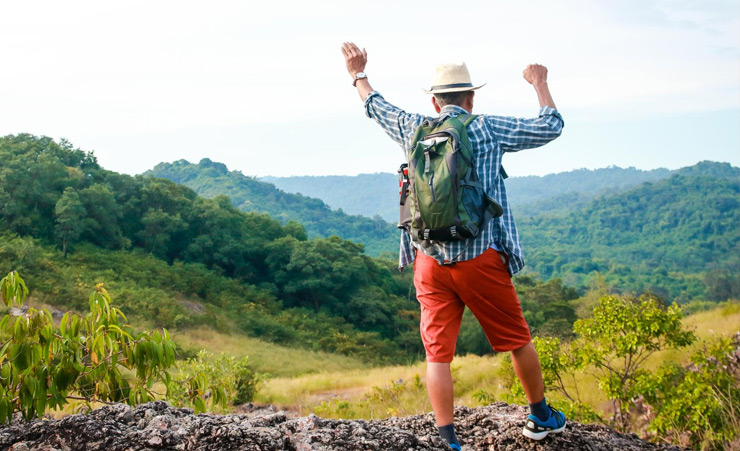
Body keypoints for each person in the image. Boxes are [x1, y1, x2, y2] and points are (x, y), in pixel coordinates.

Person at [340, 42, 567, 449]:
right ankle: (541, 416)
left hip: (427, 259)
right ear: (471, 97)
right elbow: (551, 125)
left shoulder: (414, 127)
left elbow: (375, 106)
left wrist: (357, 73)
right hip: (479, 258)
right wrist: (540, 83)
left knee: (438, 355)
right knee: (516, 340)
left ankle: (449, 440)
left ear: (434, 99)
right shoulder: (486, 128)